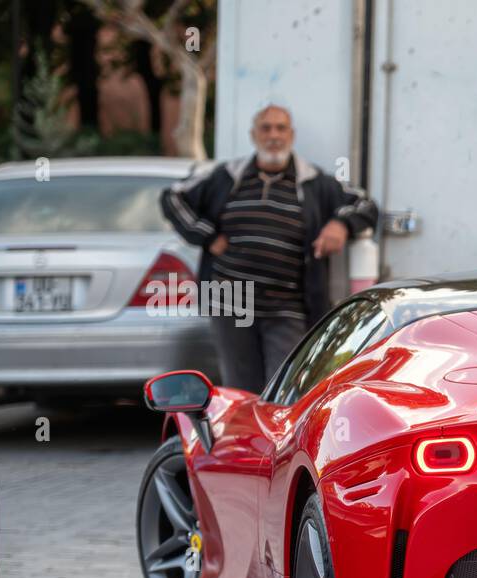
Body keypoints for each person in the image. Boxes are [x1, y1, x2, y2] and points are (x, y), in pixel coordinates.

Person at [160, 104, 379, 392]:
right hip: (232, 301)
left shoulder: (315, 182)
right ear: (254, 135)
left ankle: (277, 439)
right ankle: (241, 438)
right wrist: (208, 236)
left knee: (285, 389)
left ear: (292, 135)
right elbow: (173, 197)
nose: (273, 135)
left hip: (287, 307)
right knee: (241, 390)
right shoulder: (227, 176)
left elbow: (366, 205)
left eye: (280, 128)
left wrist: (340, 224)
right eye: (266, 128)